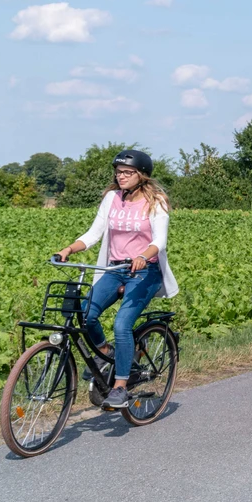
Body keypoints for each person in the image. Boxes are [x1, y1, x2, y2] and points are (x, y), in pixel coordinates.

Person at [56, 149, 179, 411]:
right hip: (115, 269)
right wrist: (68, 249)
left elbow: (160, 240)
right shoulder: (112, 198)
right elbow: (93, 233)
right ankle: (107, 354)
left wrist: (143, 257)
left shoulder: (156, 201)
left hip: (144, 271)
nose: (120, 176)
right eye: (118, 171)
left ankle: (120, 387)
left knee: (123, 324)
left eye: (127, 172)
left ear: (142, 175)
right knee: (86, 314)